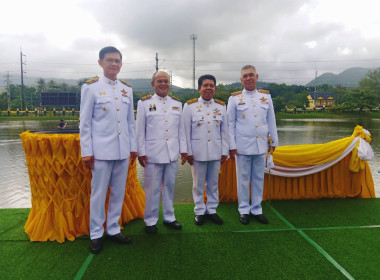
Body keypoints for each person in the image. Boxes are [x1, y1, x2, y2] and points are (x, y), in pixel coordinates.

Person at [80, 46, 137, 254]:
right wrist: (86, 150)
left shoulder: (126, 89)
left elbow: (131, 122)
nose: (114, 64)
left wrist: (133, 148)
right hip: (101, 152)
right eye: (110, 60)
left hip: (122, 151)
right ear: (100, 62)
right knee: (98, 193)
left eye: (118, 61)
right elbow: (84, 123)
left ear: (121, 64)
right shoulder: (91, 88)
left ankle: (113, 228)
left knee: (118, 193)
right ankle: (96, 233)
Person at [227, 65, 278, 225]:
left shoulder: (266, 97)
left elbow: (271, 120)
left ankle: (256, 209)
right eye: (245, 76)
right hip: (242, 146)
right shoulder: (234, 98)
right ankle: (243, 210)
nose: (248, 78)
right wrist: (232, 144)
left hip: (261, 145)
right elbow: (230, 124)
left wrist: (274, 140)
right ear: (241, 80)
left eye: (251, 75)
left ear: (257, 77)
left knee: (258, 178)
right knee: (242, 179)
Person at [136, 71, 187, 234]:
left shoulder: (177, 104)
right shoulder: (144, 103)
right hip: (152, 154)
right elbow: (140, 131)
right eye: (159, 81)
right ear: (153, 84)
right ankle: (150, 221)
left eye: (166, 81)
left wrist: (184, 151)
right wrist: (141, 152)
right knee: (152, 189)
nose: (163, 84)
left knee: (170, 186)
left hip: (172, 153)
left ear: (169, 84)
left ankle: (169, 217)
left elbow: (181, 130)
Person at [182, 74, 228, 226]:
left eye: (211, 85)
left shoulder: (221, 106)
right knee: (198, 184)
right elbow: (185, 131)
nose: (209, 88)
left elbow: (225, 131)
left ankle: (212, 210)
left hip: (215, 152)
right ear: (199, 88)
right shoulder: (189, 106)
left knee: (214, 184)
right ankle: (199, 211)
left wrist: (224, 151)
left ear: (215, 88)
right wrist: (188, 152)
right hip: (197, 152)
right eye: (205, 85)